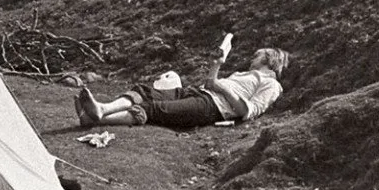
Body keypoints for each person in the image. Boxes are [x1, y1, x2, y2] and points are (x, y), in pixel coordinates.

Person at [76, 47, 292, 131]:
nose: (253, 56)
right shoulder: (244, 74)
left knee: (153, 109)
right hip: (198, 92)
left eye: (258, 54)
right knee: (144, 90)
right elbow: (212, 83)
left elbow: (248, 112)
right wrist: (216, 67)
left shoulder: (272, 85)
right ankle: (102, 109)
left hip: (211, 107)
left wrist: (219, 86)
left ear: (270, 59)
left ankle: (97, 119)